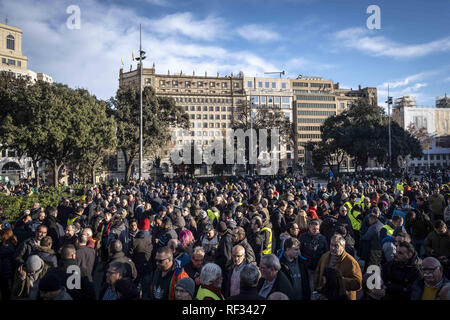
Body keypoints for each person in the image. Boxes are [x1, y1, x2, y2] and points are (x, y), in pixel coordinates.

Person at [315, 234, 362, 300]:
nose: (332, 248)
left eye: (336, 246)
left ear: (343, 246)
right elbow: (318, 273)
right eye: (331, 244)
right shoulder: (324, 256)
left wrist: (338, 280)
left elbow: (358, 283)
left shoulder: (351, 262)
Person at [300, 219, 328, 285]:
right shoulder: (303, 236)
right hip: (307, 264)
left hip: (318, 264)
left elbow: (326, 251)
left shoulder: (322, 238)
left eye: (317, 229)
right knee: (309, 282)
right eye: (314, 229)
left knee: (318, 282)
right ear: (309, 228)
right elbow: (300, 249)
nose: (316, 231)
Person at [0, 228, 18, 300]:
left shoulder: (6, 248)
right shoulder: (12, 245)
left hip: (5, 273)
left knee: (5, 291)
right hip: (7, 273)